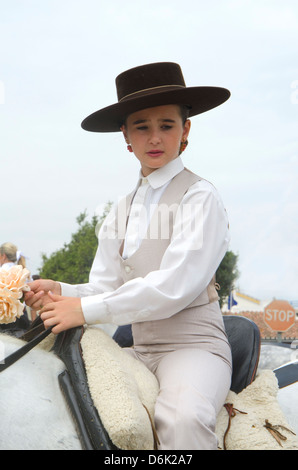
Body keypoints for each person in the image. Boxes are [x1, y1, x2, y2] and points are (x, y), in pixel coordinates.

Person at [25, 62, 232, 450]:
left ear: (185, 130)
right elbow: (106, 286)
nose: (155, 137)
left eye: (167, 125)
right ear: (126, 135)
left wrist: (82, 310)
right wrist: (62, 292)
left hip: (193, 347)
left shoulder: (200, 197)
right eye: (142, 126)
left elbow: (174, 285)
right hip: (139, 347)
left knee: (182, 417)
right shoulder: (120, 210)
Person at [0, 242, 31, 333]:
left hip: (3, 318)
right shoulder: (25, 273)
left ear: (3, 256)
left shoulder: (2, 271)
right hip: (22, 318)